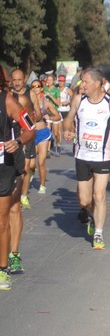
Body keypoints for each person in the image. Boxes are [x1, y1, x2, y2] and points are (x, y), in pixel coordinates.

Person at [63, 67, 110, 250]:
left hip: (102, 156)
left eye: (85, 81)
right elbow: (68, 118)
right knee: (85, 200)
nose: (81, 85)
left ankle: (98, 233)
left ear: (97, 83)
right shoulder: (78, 100)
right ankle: (93, 215)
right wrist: (67, 130)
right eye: (81, 81)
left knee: (99, 195)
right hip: (82, 155)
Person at [0, 72, 36, 291]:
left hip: (5, 165)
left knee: (4, 218)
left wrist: (18, 141)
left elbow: (30, 127)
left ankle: (4, 267)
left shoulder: (8, 100)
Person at [10, 69, 41, 209]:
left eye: (19, 80)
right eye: (14, 80)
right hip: (12, 134)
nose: (17, 83)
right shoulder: (8, 96)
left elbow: (38, 114)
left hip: (26, 133)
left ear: (24, 80)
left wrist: (30, 123)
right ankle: (13, 192)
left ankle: (23, 196)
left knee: (26, 167)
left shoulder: (31, 94)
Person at [31, 80, 60, 194]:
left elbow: (57, 116)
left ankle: (42, 185)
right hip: (31, 134)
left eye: (38, 86)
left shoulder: (46, 102)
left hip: (43, 133)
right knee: (32, 164)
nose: (35, 88)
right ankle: (32, 171)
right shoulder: (27, 102)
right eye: (33, 86)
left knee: (41, 162)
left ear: (42, 88)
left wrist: (49, 118)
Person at [43, 74, 62, 155]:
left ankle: (58, 145)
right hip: (47, 113)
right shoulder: (44, 89)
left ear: (54, 81)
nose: (49, 81)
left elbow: (59, 103)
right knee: (48, 131)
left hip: (55, 113)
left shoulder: (56, 90)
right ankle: (47, 151)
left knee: (56, 133)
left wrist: (51, 96)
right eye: (48, 80)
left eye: (51, 80)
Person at [57, 74, 73, 152]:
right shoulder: (56, 89)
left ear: (65, 82)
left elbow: (74, 98)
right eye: (59, 81)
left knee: (66, 128)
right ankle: (59, 145)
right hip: (58, 110)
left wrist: (68, 102)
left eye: (62, 81)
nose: (61, 82)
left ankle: (69, 137)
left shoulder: (67, 89)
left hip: (66, 110)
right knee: (58, 129)